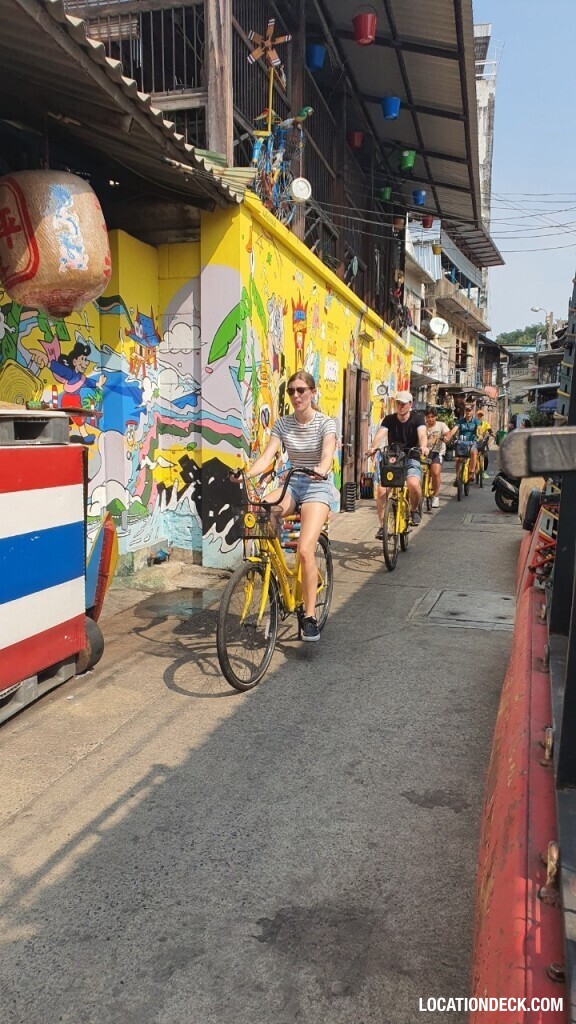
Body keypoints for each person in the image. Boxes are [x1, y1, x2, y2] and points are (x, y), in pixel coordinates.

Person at [243, 370, 337, 643]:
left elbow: (328, 453)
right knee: (262, 509)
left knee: (306, 550)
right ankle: (277, 571)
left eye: (301, 390)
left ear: (312, 392)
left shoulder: (324, 423)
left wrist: (320, 468)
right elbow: (266, 457)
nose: (296, 396)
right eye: (291, 391)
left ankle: (308, 616)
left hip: (316, 485)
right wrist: (246, 473)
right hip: (293, 484)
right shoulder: (283, 424)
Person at [368, 390, 428, 535]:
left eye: (404, 404)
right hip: (393, 457)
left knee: (413, 483)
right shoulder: (389, 419)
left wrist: (423, 446)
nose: (401, 406)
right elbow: (380, 434)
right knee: (382, 491)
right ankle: (383, 526)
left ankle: (413, 510)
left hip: (412, 455)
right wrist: (373, 447)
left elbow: (422, 434)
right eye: (398, 403)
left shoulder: (417, 418)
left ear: (410, 405)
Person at [424, 408, 456, 507]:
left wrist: (446, 438)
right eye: (428, 417)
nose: (430, 419)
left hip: (436, 452)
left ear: (436, 417)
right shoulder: (422, 426)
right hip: (424, 452)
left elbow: (448, 433)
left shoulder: (441, 425)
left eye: (432, 417)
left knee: (436, 472)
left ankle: (436, 496)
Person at [453, 404, 481, 483]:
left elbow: (479, 429)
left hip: (472, 442)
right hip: (462, 443)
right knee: (458, 459)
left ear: (472, 412)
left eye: (470, 410)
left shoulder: (476, 421)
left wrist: (479, 434)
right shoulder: (461, 421)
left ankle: (471, 473)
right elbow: (454, 429)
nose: (468, 412)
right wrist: (449, 436)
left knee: (474, 452)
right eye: (467, 410)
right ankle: (457, 477)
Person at [476, 409, 493, 478]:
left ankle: (484, 472)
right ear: (477, 416)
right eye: (479, 415)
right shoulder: (474, 422)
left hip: (483, 442)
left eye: (481, 415)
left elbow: (489, 429)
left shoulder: (486, 423)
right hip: (475, 441)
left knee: (485, 456)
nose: (480, 417)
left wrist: (492, 433)